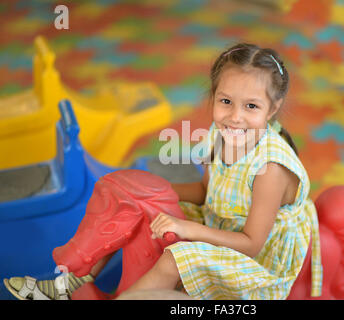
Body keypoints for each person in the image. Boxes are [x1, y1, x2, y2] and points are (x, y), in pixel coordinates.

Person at [4, 43, 322, 300]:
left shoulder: (271, 169)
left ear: (274, 106)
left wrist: (189, 231)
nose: (235, 117)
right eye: (226, 101)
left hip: (255, 261)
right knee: (136, 205)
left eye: (251, 106)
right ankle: (70, 282)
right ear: (214, 96)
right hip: (220, 223)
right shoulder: (220, 135)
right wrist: (148, 190)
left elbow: (252, 242)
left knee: (176, 256)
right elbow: (205, 191)